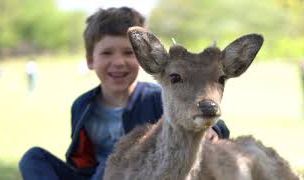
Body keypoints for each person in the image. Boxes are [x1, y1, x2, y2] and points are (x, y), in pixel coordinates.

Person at [19, 7, 230, 180]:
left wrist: (215, 129)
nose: (118, 62)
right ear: (90, 60)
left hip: (136, 174)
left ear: (145, 58)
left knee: (111, 160)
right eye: (107, 53)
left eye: (129, 52)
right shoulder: (82, 105)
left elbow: (192, 111)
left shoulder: (157, 97)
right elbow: (81, 159)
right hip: (92, 176)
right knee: (33, 157)